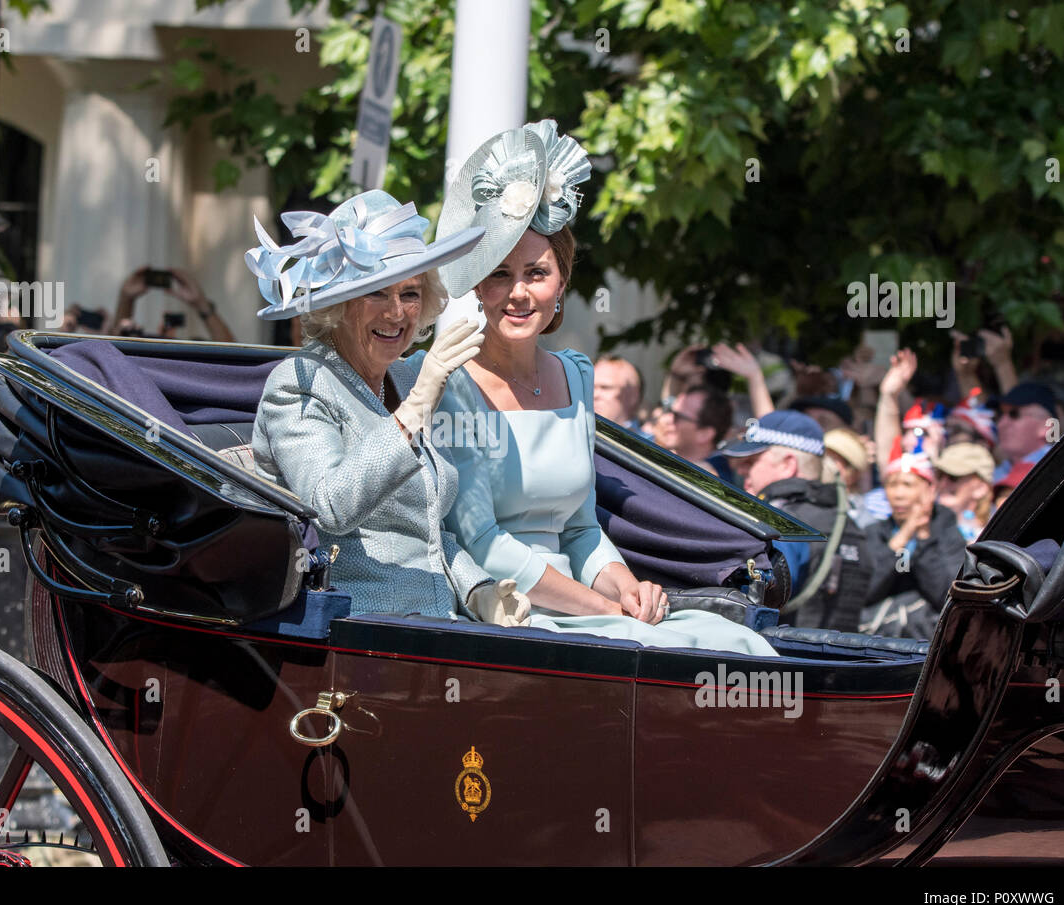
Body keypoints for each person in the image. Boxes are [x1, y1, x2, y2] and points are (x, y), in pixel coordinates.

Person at [424, 120, 776, 656]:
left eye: (535, 273)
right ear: (477, 283)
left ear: (562, 281)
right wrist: (607, 610)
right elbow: (483, 544)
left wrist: (628, 588)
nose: (517, 293)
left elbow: (581, 529)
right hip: (509, 614)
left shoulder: (576, 374)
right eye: (499, 274)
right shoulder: (453, 382)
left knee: (737, 644)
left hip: (591, 610)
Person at [247, 188, 528, 626]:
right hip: (357, 630)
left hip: (439, 623)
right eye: (377, 293)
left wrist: (478, 590)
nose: (397, 313)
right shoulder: (300, 382)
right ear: (338, 305)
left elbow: (426, 534)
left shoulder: (404, 379)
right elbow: (329, 506)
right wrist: (415, 408)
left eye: (411, 294)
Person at [721, 411, 874, 631]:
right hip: (837, 661)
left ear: (787, 464)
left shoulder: (780, 523)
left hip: (776, 662)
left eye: (751, 462)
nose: (741, 470)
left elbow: (754, 600)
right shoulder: (849, 525)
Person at [860, 440, 967, 640]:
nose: (898, 494)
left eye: (908, 485)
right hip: (876, 636)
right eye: (892, 485)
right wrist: (903, 537)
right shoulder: (873, 532)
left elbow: (946, 594)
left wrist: (924, 536)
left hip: (927, 639)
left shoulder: (948, 533)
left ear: (930, 490)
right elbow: (865, 591)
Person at [114, 266, 235, 342]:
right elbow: (114, 348)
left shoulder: (191, 355)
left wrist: (200, 303)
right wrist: (126, 299)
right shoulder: (139, 359)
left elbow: (232, 356)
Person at [655, 384, 731, 475]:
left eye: (678, 417)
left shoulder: (716, 481)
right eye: (669, 411)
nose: (667, 419)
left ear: (704, 434)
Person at [992, 382, 1058, 482]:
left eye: (1014, 414)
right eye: (999, 415)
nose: (1001, 423)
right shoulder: (989, 480)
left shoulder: (1062, 464)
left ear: (1047, 426)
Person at [933, 442, 996, 543]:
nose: (943, 484)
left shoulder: (995, 537)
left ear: (980, 488)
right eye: (940, 475)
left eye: (953, 477)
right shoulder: (921, 524)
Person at [593, 355, 643, 430]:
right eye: (591, 388)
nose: (594, 395)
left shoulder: (655, 441)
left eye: (605, 388)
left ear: (633, 396)